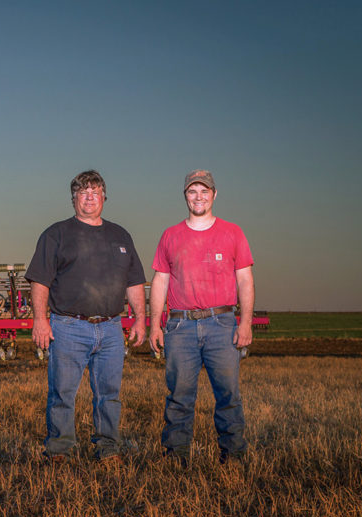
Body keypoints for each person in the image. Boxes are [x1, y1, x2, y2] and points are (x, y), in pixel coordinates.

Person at [25, 170, 147, 464]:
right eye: (83, 192)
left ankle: (107, 448)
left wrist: (141, 318)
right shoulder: (56, 234)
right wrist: (40, 320)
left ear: (104, 197)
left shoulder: (121, 236)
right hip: (68, 326)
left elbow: (134, 282)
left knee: (109, 394)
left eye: (95, 192)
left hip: (110, 329)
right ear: (74, 199)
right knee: (62, 393)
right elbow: (40, 281)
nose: (89, 197)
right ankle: (60, 450)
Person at [148, 169, 254, 465]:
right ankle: (176, 455)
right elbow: (160, 281)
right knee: (179, 394)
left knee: (228, 394)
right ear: (185, 196)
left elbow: (244, 279)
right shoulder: (171, 235)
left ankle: (233, 455)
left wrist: (244, 322)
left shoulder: (232, 232)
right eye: (193, 191)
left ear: (214, 195)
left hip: (222, 323)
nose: (199, 197)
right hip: (180, 325)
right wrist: (155, 324)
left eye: (204, 191)